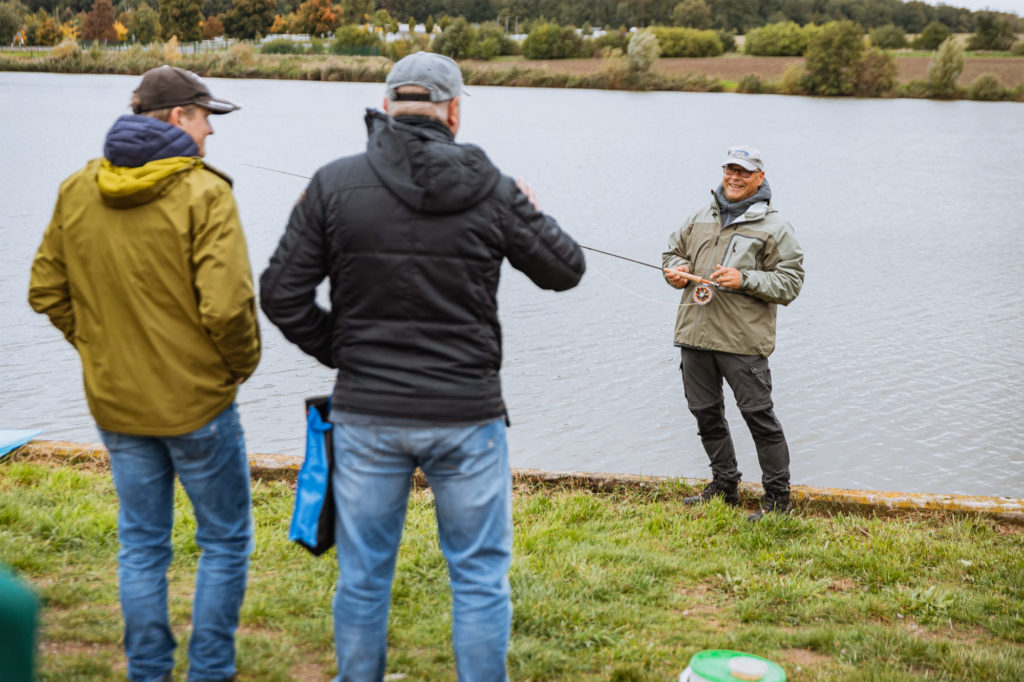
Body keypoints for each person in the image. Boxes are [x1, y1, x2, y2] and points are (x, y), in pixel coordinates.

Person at [259, 51, 585, 681]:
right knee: (479, 579)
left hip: (368, 413)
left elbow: (281, 294)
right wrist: (529, 210)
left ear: (386, 108)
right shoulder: (494, 187)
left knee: (362, 578)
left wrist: (346, 352)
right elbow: (564, 268)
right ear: (454, 112)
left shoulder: (334, 183)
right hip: (466, 415)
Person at [29, 65, 261, 681]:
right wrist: (238, 368)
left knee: (142, 544)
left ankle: (149, 671)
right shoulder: (204, 193)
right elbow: (228, 307)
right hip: (200, 405)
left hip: (117, 400)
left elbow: (47, 290)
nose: (211, 131)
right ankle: (211, 671)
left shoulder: (78, 186)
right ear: (179, 117)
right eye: (207, 116)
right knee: (226, 541)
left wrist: (100, 349)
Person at [662, 145, 804, 522]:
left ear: (759, 177)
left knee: (759, 418)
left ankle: (778, 501)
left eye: (744, 171)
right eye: (730, 169)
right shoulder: (699, 216)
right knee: (705, 414)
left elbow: (790, 283)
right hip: (694, 336)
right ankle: (724, 487)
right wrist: (675, 269)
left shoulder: (776, 227)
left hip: (742, 342)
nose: (735, 177)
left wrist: (745, 279)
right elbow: (672, 252)